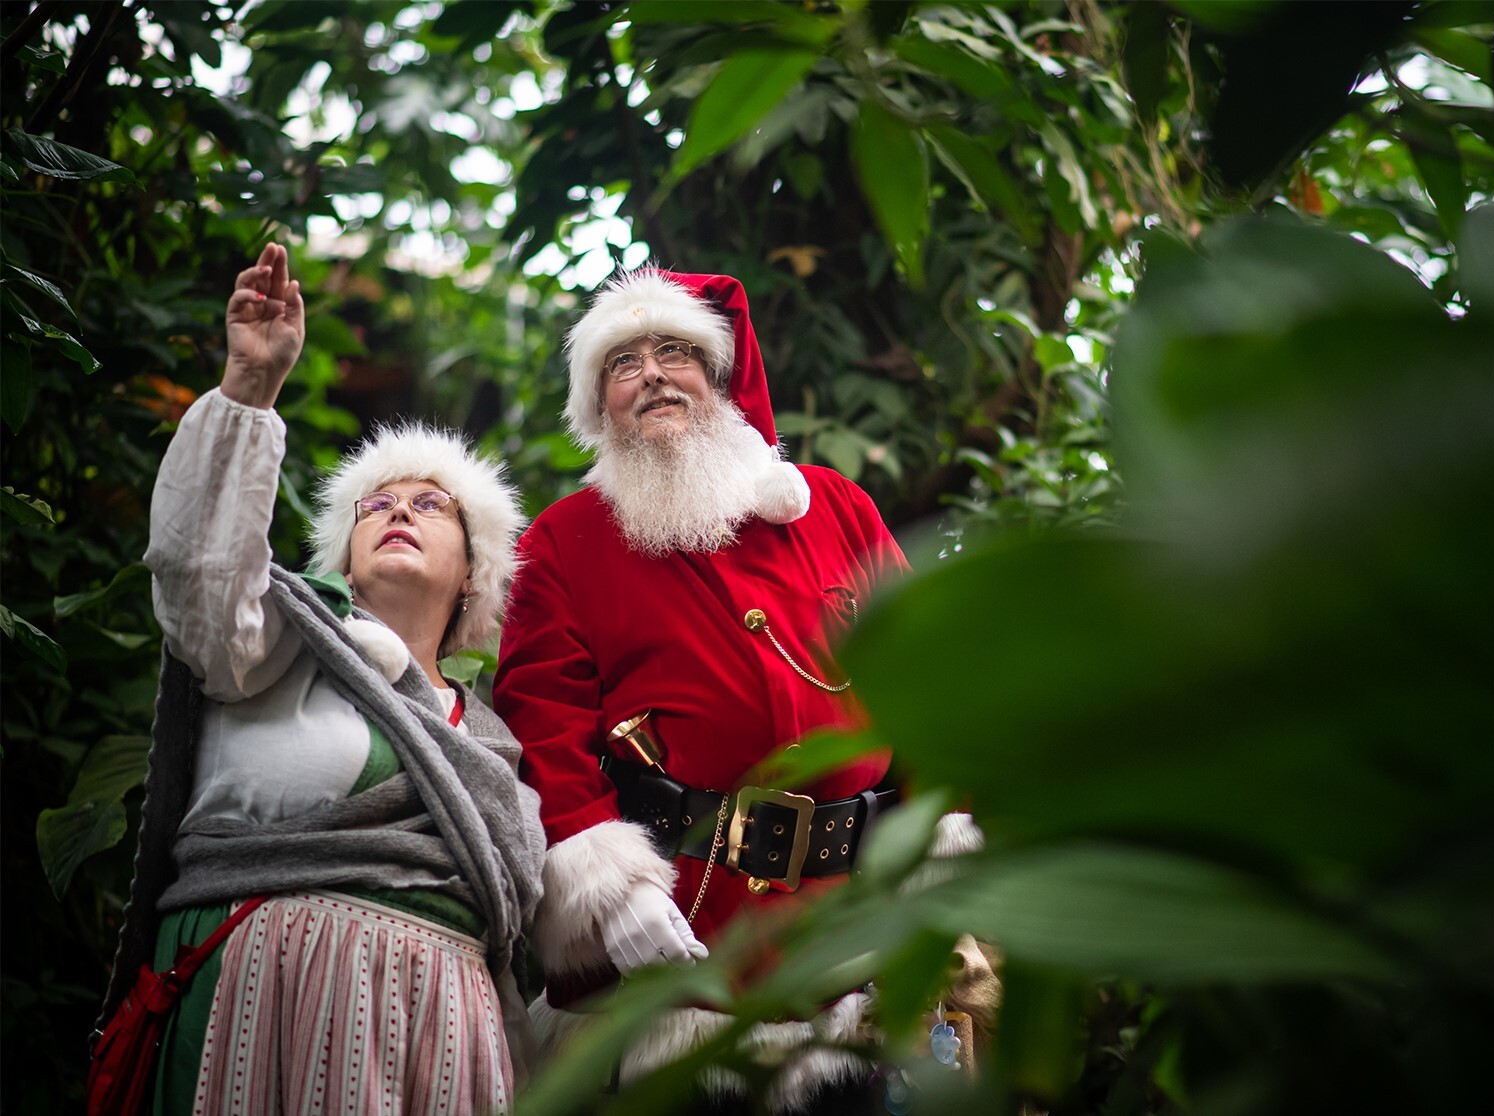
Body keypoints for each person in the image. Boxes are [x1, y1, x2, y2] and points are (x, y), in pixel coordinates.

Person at [94, 244, 545, 1115]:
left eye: (429, 503)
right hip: (263, 1010)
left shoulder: (491, 741)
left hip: (441, 1045)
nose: (397, 511)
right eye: (374, 505)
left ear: (473, 573)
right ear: (345, 553)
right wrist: (249, 391)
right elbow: (201, 571)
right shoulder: (276, 643)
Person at [494, 267, 937, 1113]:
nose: (653, 374)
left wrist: (944, 831)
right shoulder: (564, 541)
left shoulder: (834, 507)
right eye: (622, 364)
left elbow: (924, 675)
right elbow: (537, 726)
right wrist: (609, 894)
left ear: (722, 378)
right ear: (598, 408)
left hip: (851, 944)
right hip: (681, 944)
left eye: (674, 352)